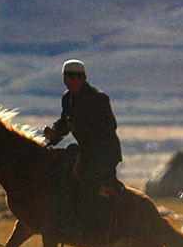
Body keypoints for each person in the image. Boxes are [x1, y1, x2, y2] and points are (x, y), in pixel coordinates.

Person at [42, 59, 123, 236]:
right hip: (87, 151)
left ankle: (82, 225)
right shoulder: (67, 98)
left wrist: (79, 128)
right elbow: (65, 122)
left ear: (83, 78)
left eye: (73, 77)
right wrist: (54, 133)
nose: (69, 81)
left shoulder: (98, 98)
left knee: (88, 179)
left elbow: (109, 127)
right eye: (66, 77)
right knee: (63, 172)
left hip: (105, 153)